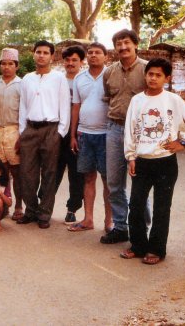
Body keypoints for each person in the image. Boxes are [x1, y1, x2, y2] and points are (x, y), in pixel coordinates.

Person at [120, 58, 185, 265]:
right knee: (136, 204)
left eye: (158, 75)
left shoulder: (173, 100)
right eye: (150, 74)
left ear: (167, 78)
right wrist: (131, 157)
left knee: (162, 207)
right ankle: (138, 245)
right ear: (145, 75)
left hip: (165, 162)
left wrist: (182, 142)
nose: (153, 78)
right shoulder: (137, 101)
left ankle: (156, 249)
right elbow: (130, 131)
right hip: (142, 161)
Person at [17, 40, 70, 229]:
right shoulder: (27, 79)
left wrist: (60, 132)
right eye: (38, 52)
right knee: (27, 173)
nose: (41, 55)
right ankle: (30, 210)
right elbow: (23, 106)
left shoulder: (59, 78)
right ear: (33, 54)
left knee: (49, 173)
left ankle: (44, 214)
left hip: (51, 129)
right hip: (30, 129)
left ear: (52, 56)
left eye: (45, 52)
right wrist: (22, 131)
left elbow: (64, 106)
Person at [101, 29, 148, 244]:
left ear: (136, 44)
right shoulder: (109, 72)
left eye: (126, 43)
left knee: (140, 181)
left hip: (140, 133)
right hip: (114, 129)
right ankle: (120, 227)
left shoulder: (148, 69)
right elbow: (108, 98)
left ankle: (142, 227)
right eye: (118, 44)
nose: (122, 48)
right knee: (114, 182)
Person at [68, 42, 112, 233]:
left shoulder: (112, 75)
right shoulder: (80, 78)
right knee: (88, 178)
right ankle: (88, 219)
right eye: (91, 52)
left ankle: (109, 222)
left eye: (98, 53)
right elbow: (75, 107)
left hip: (107, 134)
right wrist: (72, 135)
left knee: (108, 180)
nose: (94, 55)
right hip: (85, 134)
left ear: (106, 56)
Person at [52, 45, 85, 225]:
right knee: (53, 169)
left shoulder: (83, 80)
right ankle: (45, 204)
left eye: (74, 60)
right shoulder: (58, 80)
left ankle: (72, 209)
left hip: (78, 131)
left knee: (76, 173)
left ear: (81, 62)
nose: (70, 63)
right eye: (68, 60)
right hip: (58, 131)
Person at [0, 47, 24, 220]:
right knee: (0, 173)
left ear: (16, 66)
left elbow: (25, 112)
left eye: (10, 64)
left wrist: (22, 135)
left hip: (14, 130)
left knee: (16, 172)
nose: (6, 67)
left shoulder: (21, 85)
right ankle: (1, 205)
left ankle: (18, 205)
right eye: (3, 63)